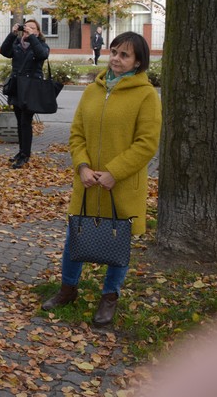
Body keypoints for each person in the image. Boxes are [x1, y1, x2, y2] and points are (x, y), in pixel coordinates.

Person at [42, 31, 161, 326]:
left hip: (120, 185)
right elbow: (77, 133)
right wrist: (82, 166)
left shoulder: (146, 95)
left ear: (138, 62)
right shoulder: (93, 90)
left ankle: (110, 297)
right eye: (115, 52)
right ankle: (68, 289)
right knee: (75, 237)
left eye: (125, 55)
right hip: (87, 183)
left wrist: (114, 173)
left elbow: (146, 143)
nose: (117, 59)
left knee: (117, 243)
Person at [0, 19, 50, 169]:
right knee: (19, 121)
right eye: (27, 27)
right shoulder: (16, 43)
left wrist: (32, 37)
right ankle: (21, 151)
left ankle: (25, 155)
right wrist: (12, 34)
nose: (28, 30)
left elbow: (42, 55)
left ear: (38, 32)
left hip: (31, 88)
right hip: (17, 87)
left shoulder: (41, 45)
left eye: (33, 28)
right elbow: (4, 51)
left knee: (25, 122)